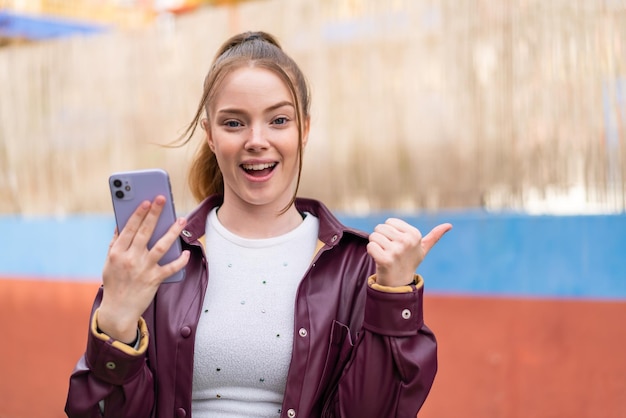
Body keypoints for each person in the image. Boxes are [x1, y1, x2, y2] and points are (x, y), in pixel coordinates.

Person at [65, 31, 452, 418]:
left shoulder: (356, 267)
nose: (256, 140)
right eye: (234, 123)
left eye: (279, 120)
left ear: (304, 128)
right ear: (211, 136)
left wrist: (394, 296)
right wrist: (115, 320)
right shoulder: (158, 261)